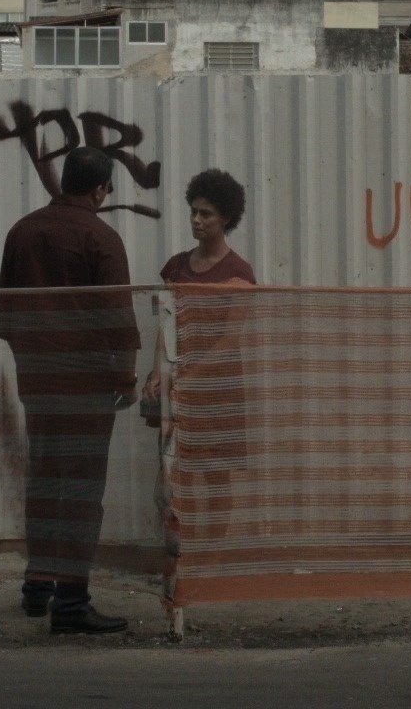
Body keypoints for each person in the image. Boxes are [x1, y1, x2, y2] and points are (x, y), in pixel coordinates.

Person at [0, 147, 141, 636]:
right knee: (81, 490)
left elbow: (4, 315)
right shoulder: (101, 237)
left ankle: (37, 587)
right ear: (100, 189)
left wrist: (35, 362)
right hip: (88, 388)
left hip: (38, 384)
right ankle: (72, 603)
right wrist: (125, 379)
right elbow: (118, 318)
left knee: (44, 478)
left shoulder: (22, 231)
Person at [154, 170, 256, 542]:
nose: (196, 220)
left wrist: (187, 376)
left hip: (218, 388)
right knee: (176, 467)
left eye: (206, 214)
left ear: (226, 218)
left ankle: (212, 552)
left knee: (215, 471)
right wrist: (157, 373)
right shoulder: (176, 267)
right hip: (178, 384)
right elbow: (165, 328)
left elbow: (230, 339)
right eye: (193, 212)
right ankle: (185, 547)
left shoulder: (238, 271)